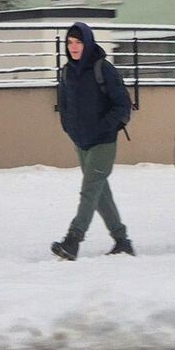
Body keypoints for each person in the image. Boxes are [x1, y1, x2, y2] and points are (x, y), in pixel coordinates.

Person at [51, 22, 136, 261]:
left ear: (87, 43)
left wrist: (103, 126)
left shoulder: (103, 69)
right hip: (81, 142)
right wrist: (69, 127)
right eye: (70, 42)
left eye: (78, 42)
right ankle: (122, 240)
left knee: (90, 190)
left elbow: (122, 105)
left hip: (103, 142)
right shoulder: (67, 71)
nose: (74, 47)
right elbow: (64, 105)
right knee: (99, 193)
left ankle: (73, 240)